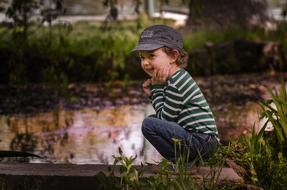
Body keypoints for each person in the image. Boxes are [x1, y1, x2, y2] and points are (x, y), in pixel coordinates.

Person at [132, 25, 220, 164]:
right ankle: (185, 162)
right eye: (142, 57)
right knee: (153, 119)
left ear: (173, 56)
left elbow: (165, 119)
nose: (145, 63)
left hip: (203, 142)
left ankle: (181, 163)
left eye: (151, 56)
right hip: (202, 140)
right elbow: (165, 116)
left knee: (149, 124)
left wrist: (157, 89)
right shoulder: (175, 78)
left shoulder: (176, 83)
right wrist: (155, 92)